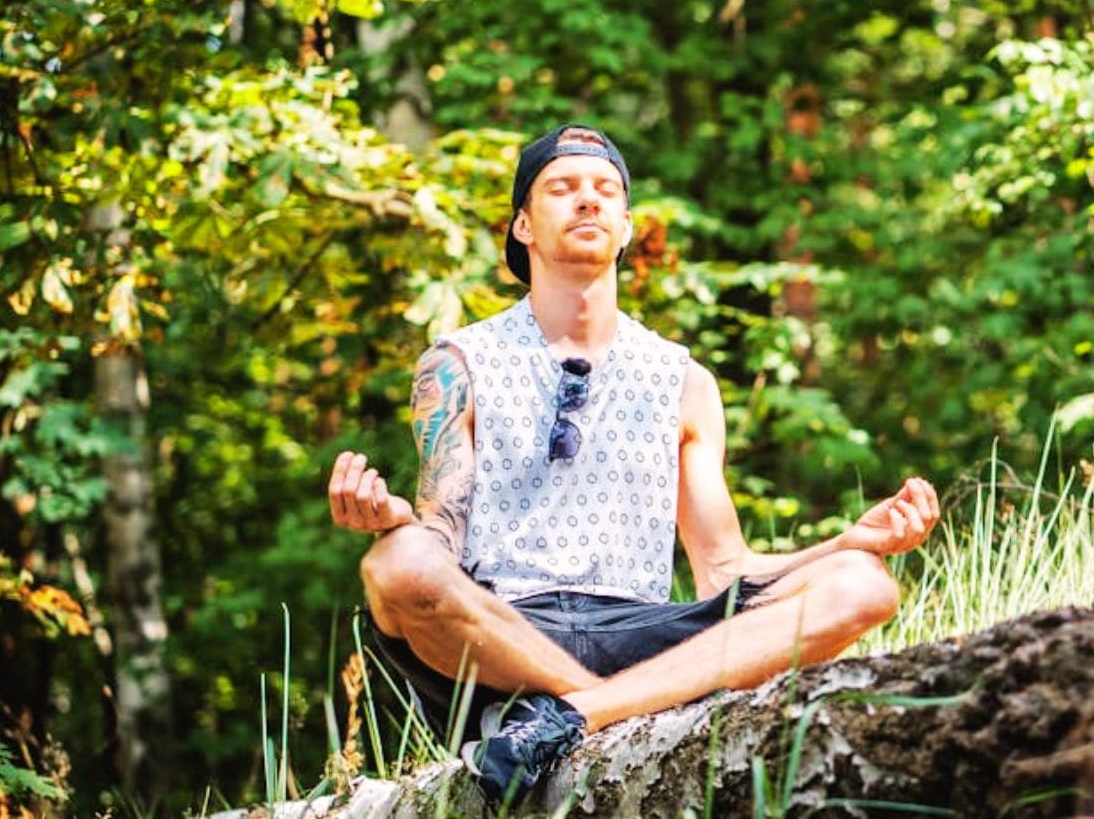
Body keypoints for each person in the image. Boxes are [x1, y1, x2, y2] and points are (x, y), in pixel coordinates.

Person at [326, 124, 939, 804]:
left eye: (605, 190)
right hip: (503, 631)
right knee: (395, 564)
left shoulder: (684, 380)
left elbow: (724, 569)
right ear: (523, 226)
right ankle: (594, 705)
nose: (587, 201)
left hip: (641, 628)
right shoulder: (458, 363)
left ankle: (568, 718)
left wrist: (848, 541)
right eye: (562, 188)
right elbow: (443, 534)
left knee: (863, 584)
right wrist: (399, 520)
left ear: (625, 228)